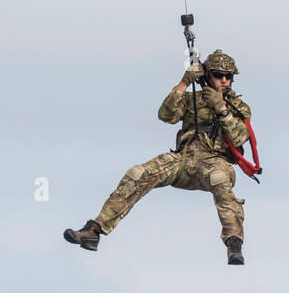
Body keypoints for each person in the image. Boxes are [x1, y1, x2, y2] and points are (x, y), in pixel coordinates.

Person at [64, 49, 251, 265]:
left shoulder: (238, 107)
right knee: (138, 173)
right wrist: (183, 83)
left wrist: (220, 107)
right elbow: (166, 115)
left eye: (228, 76)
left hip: (215, 161)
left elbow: (239, 138)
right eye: (218, 75)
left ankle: (234, 243)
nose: (224, 81)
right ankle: (94, 230)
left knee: (220, 179)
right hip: (183, 159)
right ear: (208, 75)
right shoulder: (193, 99)